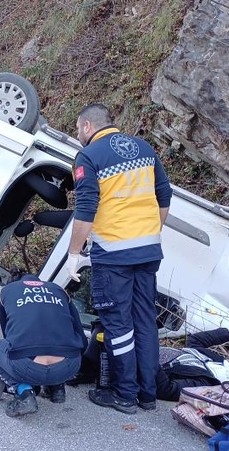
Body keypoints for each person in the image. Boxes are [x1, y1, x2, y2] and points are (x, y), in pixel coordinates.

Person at [66, 103, 172, 414]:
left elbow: (85, 209)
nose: (78, 134)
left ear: (87, 127)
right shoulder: (144, 148)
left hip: (114, 255)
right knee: (145, 323)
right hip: (149, 251)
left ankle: (124, 394)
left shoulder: (89, 156)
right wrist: (151, 231)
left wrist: (74, 253)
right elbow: (163, 195)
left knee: (117, 324)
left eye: (77, 129)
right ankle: (147, 395)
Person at [0, 274, 87, 417]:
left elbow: (9, 337)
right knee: (58, 343)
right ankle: (57, 389)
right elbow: (81, 338)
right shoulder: (58, 290)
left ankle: (24, 392)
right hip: (69, 367)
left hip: (27, 367)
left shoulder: (5, 292)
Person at [72, 327, 229, 401]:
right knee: (106, 326)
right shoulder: (216, 363)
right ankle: (83, 369)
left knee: (110, 332)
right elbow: (194, 342)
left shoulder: (207, 383)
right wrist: (228, 334)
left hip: (139, 365)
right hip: (145, 353)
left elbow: (166, 389)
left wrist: (148, 356)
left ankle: (83, 370)